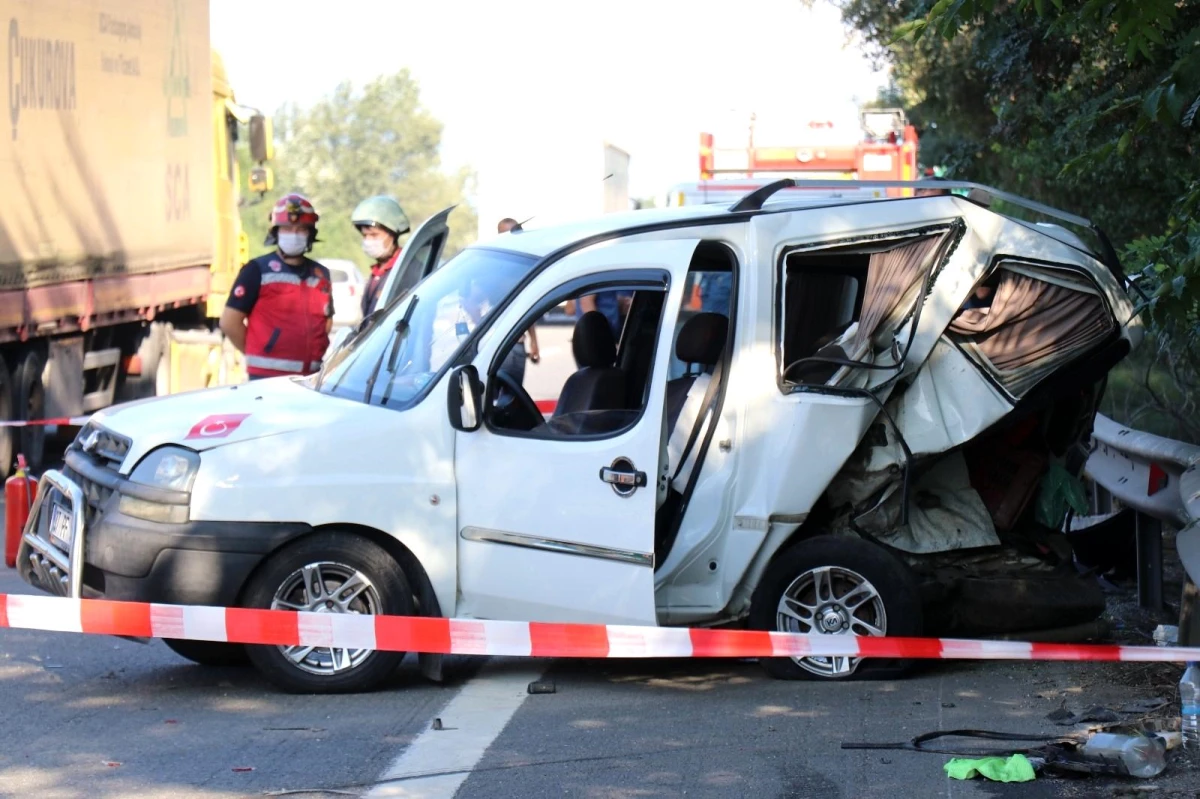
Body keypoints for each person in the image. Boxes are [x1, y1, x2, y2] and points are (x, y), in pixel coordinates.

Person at [220, 193, 333, 380]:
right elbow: (229, 322)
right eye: (287, 229)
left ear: (310, 234)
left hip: (309, 378)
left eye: (301, 229)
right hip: (266, 379)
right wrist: (257, 352)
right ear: (276, 233)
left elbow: (326, 322)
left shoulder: (321, 275)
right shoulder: (256, 270)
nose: (294, 234)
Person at [352, 195, 412, 317]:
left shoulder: (407, 269)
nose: (368, 241)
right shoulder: (377, 272)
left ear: (393, 234)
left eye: (374, 235)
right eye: (365, 236)